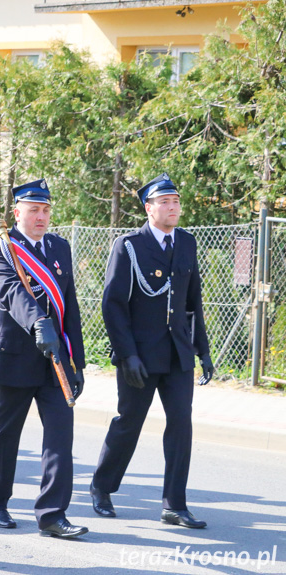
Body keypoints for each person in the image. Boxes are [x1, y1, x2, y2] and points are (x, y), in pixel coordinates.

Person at [91, 173, 213, 529]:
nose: (173, 207)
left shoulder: (187, 243)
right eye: (165, 202)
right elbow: (113, 304)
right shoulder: (129, 245)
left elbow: (193, 303)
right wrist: (126, 354)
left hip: (177, 354)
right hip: (140, 356)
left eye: (176, 201)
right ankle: (101, 487)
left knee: (181, 424)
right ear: (149, 208)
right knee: (129, 422)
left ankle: (174, 503)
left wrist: (202, 351)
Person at [0, 179, 87, 539]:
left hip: (55, 360)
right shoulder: (1, 246)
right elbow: (7, 290)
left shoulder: (60, 247)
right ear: (16, 213)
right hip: (13, 356)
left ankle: (53, 514)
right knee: (3, 434)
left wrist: (78, 361)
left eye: (45, 210)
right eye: (33, 210)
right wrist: (37, 321)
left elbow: (69, 306)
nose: (41, 217)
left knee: (60, 436)